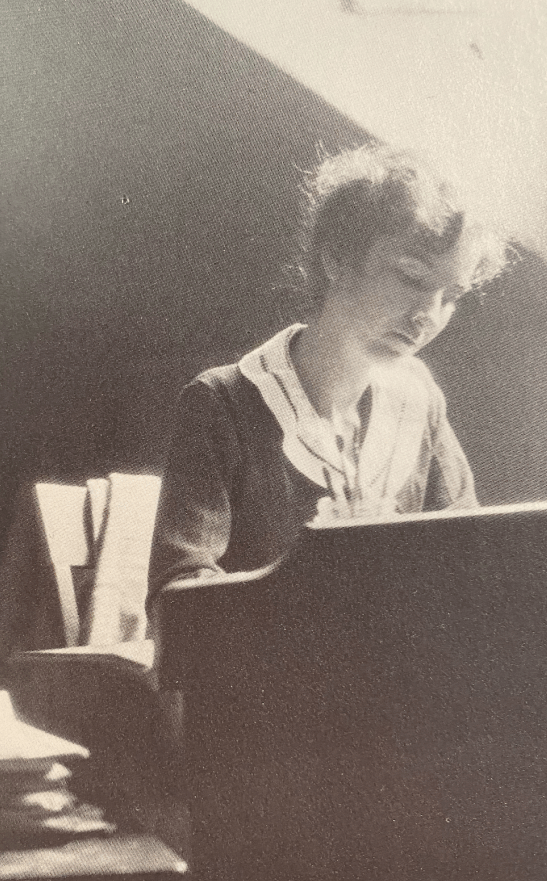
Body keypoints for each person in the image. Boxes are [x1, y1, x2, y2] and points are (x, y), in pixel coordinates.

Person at [148, 144, 508, 602]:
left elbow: (470, 555)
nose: (428, 315)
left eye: (451, 296)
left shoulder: (419, 401)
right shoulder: (224, 401)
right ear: (336, 259)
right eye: (412, 279)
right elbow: (179, 590)